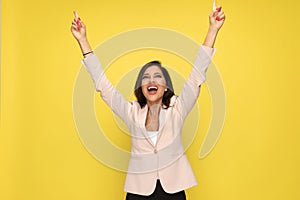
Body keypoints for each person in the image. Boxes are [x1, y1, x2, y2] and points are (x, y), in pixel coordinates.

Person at [71, 5, 225, 200]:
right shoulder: (131, 111)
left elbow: (196, 77)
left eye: (158, 77)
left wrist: (212, 30)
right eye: (146, 77)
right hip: (139, 192)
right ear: (141, 87)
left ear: (166, 87)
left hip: (173, 191)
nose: (151, 81)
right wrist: (83, 41)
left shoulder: (178, 108)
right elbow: (103, 86)